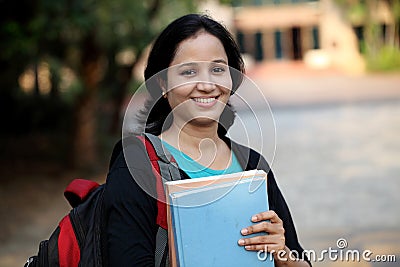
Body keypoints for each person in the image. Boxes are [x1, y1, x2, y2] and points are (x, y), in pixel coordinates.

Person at [104, 14, 311, 266]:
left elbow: (301, 261)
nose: (206, 85)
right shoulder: (138, 163)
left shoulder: (253, 165)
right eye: (188, 71)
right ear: (162, 84)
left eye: (218, 69)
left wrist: (282, 254)